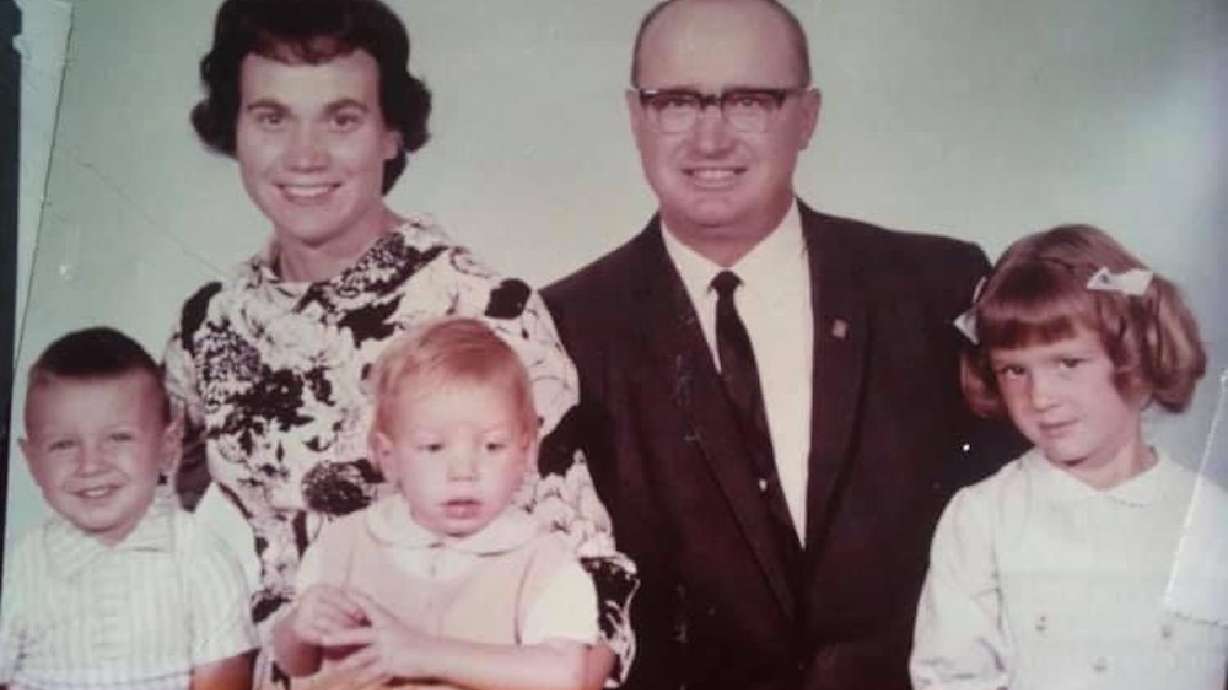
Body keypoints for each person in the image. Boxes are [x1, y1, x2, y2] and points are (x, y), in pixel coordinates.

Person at [542, 0, 1022, 687]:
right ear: (635, 117)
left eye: (749, 101)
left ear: (808, 116)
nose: (711, 139)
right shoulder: (560, 330)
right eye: (676, 102)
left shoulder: (939, 290)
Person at [164, 0, 634, 685]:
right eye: (272, 117)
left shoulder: (484, 311)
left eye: (342, 118)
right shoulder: (211, 325)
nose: (304, 155)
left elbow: (590, 598)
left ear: (391, 135)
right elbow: (166, 546)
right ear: (233, 128)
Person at [910, 225, 1228, 689]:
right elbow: (951, 678)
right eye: (1014, 370)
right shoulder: (982, 519)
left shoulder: (1211, 519)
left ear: (1138, 357)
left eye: (1068, 363)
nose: (1040, 397)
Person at [272, 318, 600, 690]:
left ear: (526, 454)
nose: (463, 471)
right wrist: (297, 630)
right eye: (433, 447)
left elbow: (565, 675)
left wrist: (422, 653)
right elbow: (297, 665)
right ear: (388, 457)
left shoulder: (542, 560)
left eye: (492, 446)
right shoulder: (342, 545)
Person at [1, 327, 256, 690]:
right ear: (32, 462)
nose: (91, 465)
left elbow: (224, 679)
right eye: (63, 444)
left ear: (168, 446)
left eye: (118, 438)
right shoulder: (22, 565)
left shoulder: (200, 556)